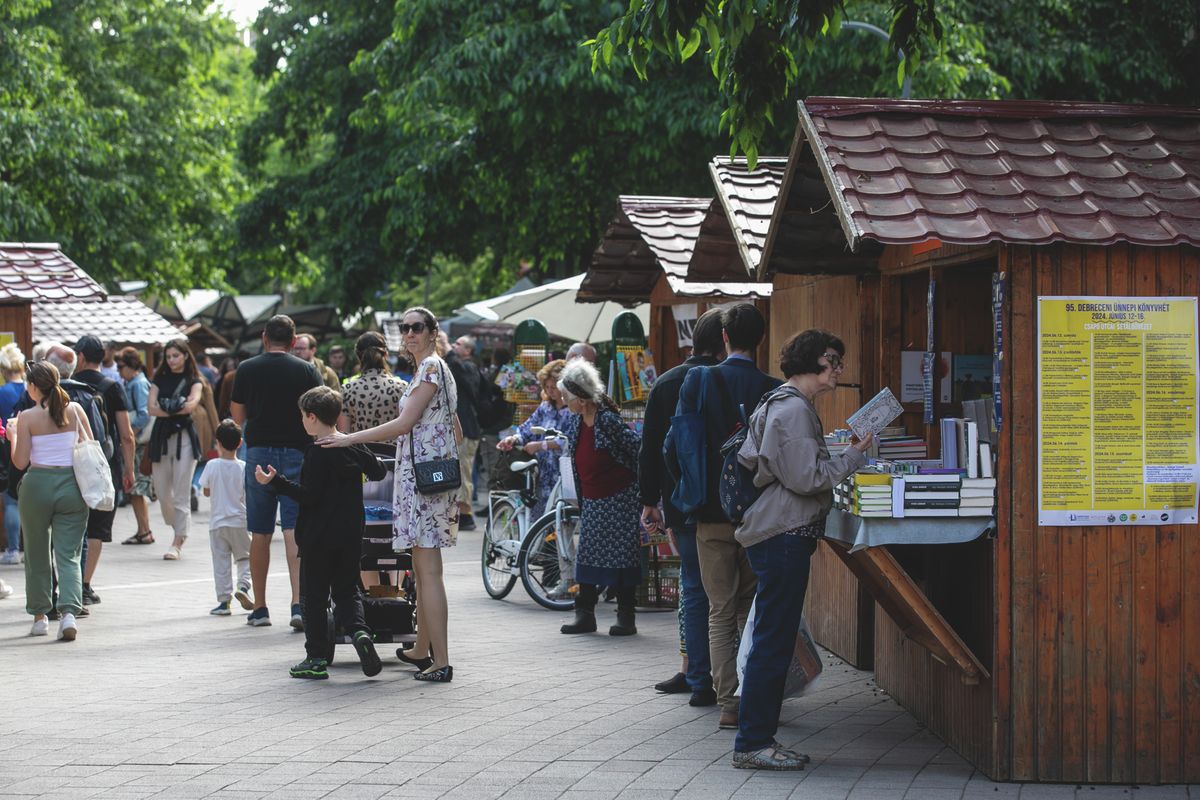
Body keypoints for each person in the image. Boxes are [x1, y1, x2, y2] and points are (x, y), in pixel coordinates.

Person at [732, 330, 873, 770]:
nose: (839, 369)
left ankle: (756, 739)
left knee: (773, 637)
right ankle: (754, 743)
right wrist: (853, 457)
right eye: (835, 360)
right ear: (817, 361)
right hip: (783, 534)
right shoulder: (792, 409)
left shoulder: (784, 403)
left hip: (780, 532)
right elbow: (806, 478)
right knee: (773, 641)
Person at [317, 306, 458, 683]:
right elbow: (454, 428)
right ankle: (422, 648)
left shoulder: (430, 367)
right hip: (425, 479)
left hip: (426, 482)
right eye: (404, 328)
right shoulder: (428, 369)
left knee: (427, 571)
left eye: (416, 327)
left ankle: (440, 660)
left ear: (432, 331)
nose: (409, 333)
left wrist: (349, 438)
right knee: (423, 569)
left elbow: (404, 423)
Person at [674, 302, 782, 730]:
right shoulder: (774, 389)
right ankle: (754, 693)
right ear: (761, 339)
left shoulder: (699, 381)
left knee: (718, 608)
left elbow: (674, 444)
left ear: (723, 338)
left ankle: (728, 702)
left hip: (710, 512)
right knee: (749, 608)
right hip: (758, 513)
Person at [257, 386, 387, 679]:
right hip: (351, 533)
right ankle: (360, 634)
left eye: (303, 416)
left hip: (318, 537)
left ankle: (316, 658)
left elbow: (309, 496)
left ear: (312, 417)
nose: (301, 421)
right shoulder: (351, 444)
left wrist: (276, 481)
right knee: (347, 590)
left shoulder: (316, 452)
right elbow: (379, 471)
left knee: (313, 598)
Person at [640, 309, 725, 706]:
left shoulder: (667, 382)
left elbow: (651, 447)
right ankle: (726, 676)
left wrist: (648, 500)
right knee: (727, 591)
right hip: (727, 503)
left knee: (693, 585)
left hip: (679, 501)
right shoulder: (733, 380)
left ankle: (698, 675)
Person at [231, 315, 321, 629]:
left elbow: (237, 415)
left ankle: (260, 606)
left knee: (261, 531)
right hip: (297, 453)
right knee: (294, 529)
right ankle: (298, 604)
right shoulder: (307, 370)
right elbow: (317, 412)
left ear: (265, 337)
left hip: (258, 453)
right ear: (295, 341)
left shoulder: (247, 369)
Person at [556, 358, 643, 637]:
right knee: (588, 556)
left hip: (619, 499)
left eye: (566, 396)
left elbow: (637, 450)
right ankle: (585, 615)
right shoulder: (577, 422)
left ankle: (626, 618)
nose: (563, 401)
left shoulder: (607, 420)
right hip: (593, 500)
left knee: (622, 558)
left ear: (581, 398)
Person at [10, 361, 92, 640]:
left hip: (37, 485)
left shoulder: (28, 417)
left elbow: (20, 461)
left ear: (34, 387)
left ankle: (40, 616)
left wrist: (12, 437)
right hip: (72, 485)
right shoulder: (76, 410)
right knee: (69, 554)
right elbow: (90, 448)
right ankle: (69, 614)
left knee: (36, 553)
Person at [71, 335, 136, 604]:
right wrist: (129, 469)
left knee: (74, 524)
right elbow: (127, 434)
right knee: (97, 527)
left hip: (73, 463)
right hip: (104, 465)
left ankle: (68, 581)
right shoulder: (112, 387)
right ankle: (85, 584)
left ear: (81, 357)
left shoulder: (68, 387)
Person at [496, 359, 571, 518]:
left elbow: (571, 439)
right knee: (539, 519)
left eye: (554, 387)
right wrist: (514, 439)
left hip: (564, 473)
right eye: (547, 387)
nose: (550, 391)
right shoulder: (545, 407)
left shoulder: (573, 409)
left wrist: (541, 445)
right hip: (542, 474)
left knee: (563, 519)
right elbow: (527, 429)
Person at [199, 420, 254, 616]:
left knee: (221, 562)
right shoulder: (244, 467)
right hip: (240, 520)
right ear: (240, 443)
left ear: (218, 443)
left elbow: (206, 491)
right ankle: (243, 587)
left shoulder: (212, 465)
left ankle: (224, 602)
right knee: (246, 558)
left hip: (217, 523)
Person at [118, 348, 156, 546]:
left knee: (136, 488)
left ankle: (145, 530)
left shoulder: (138, 383)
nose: (119, 370)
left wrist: (129, 431)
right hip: (138, 441)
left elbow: (143, 413)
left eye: (121, 366)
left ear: (131, 365)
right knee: (134, 489)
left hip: (138, 443)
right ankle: (143, 530)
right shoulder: (134, 382)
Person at [445, 335, 481, 530]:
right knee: (460, 471)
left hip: (467, 430)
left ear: (468, 350)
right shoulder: (464, 367)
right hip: (464, 429)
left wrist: (447, 350)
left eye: (457, 344)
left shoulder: (469, 368)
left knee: (463, 472)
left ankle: (466, 516)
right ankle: (461, 513)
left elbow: (457, 370)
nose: (453, 345)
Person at [340, 332, 406, 433]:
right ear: (386, 354)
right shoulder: (402, 387)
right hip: (394, 448)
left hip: (361, 448)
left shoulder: (347, 389)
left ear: (358, 355)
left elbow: (343, 433)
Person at [0, 342, 26, 565]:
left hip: (7, 448)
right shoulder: (31, 388)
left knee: (10, 501)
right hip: (30, 447)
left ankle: (13, 549)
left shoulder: (2, 392)